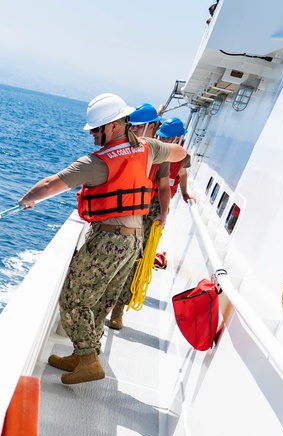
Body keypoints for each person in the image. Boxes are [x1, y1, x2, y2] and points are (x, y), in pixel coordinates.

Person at [17, 93, 188, 384]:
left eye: (97, 130)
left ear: (114, 126)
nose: (93, 135)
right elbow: (179, 155)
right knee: (100, 300)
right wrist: (152, 150)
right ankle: (85, 351)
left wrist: (26, 200)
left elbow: (50, 184)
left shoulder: (97, 162)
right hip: (134, 240)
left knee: (74, 298)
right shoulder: (148, 148)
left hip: (109, 240)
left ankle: (88, 360)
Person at [106, 103, 170, 330]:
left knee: (133, 261)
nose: (134, 129)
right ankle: (102, 303)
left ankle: (118, 309)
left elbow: (164, 186)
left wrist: (163, 212)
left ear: (152, 126)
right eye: (132, 125)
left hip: (147, 211)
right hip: (121, 207)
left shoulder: (160, 153)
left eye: (139, 126)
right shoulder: (126, 146)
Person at [157, 117, 195, 203]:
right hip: (146, 196)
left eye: (167, 137)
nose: (164, 140)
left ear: (177, 138)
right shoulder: (153, 150)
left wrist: (185, 193)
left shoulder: (184, 157)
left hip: (162, 200)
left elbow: (183, 174)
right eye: (162, 137)